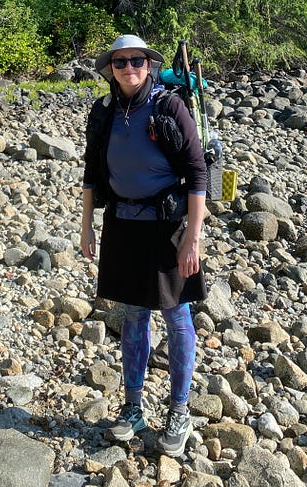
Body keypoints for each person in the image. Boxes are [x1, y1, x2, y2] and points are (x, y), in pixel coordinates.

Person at [81, 34, 207, 457]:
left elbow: (197, 171)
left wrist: (193, 236)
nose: (129, 67)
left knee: (176, 314)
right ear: (110, 70)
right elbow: (91, 175)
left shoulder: (170, 106)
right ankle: (133, 407)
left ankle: (180, 410)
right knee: (133, 315)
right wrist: (86, 226)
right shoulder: (105, 112)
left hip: (167, 226)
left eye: (137, 60)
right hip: (122, 223)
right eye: (120, 62)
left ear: (149, 65)